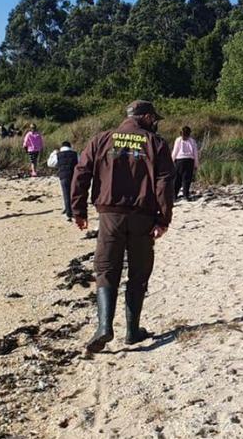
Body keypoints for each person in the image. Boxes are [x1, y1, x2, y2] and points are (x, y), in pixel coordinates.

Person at [72, 100, 174, 353]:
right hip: (143, 215)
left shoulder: (101, 139)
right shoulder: (156, 143)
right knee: (138, 272)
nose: (156, 123)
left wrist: (78, 210)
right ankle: (132, 330)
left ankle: (104, 327)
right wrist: (164, 219)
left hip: (110, 215)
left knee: (106, 268)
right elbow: (164, 183)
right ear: (147, 117)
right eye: (154, 119)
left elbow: (81, 172)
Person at [48, 141, 79, 222]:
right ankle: (74, 211)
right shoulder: (75, 154)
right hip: (73, 176)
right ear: (70, 146)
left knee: (66, 194)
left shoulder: (58, 155)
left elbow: (50, 164)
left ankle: (69, 214)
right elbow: (80, 163)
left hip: (64, 176)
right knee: (74, 194)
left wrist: (53, 153)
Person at [172, 126, 200, 201]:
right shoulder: (192, 141)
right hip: (189, 161)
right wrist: (196, 164)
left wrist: (171, 160)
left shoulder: (178, 140)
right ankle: (185, 195)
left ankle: (174, 195)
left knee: (177, 179)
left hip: (179, 161)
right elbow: (195, 153)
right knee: (186, 179)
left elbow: (175, 151)